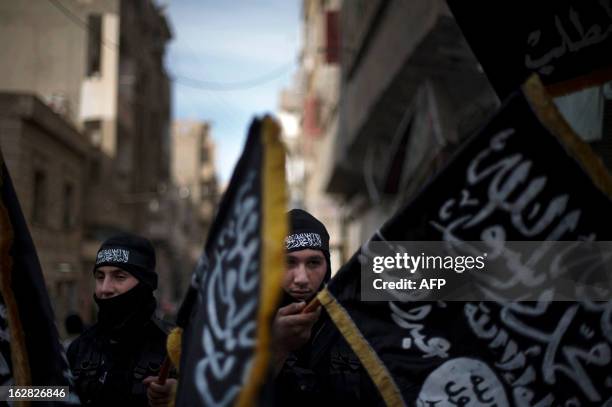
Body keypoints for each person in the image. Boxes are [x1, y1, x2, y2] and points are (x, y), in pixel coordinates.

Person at [272, 209, 382, 406]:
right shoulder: (243, 325)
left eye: (314, 262)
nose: (302, 279)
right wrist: (278, 348)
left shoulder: (350, 321)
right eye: (289, 262)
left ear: (327, 265)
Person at [67, 233, 176, 406]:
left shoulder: (175, 348)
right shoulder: (80, 348)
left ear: (145, 283)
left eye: (119, 277)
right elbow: (55, 394)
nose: (105, 288)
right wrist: (17, 388)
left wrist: (180, 395)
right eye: (100, 277)